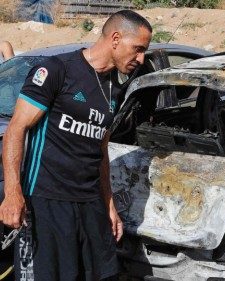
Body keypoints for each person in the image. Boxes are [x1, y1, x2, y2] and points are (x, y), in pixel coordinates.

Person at [0, 9, 152, 280]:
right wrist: (13, 193)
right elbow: (15, 130)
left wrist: (109, 204)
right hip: (48, 201)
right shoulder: (57, 71)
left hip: (90, 203)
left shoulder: (113, 89)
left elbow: (100, 151)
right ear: (115, 38)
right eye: (137, 49)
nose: (140, 59)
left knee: (100, 274)